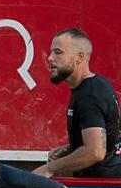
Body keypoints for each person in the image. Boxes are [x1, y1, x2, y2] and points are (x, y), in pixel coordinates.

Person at [35, 28, 121, 179]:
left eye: (58, 52)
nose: (49, 58)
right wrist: (72, 148)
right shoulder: (95, 86)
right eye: (51, 52)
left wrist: (50, 168)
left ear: (79, 57)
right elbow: (108, 135)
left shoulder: (89, 95)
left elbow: (95, 152)